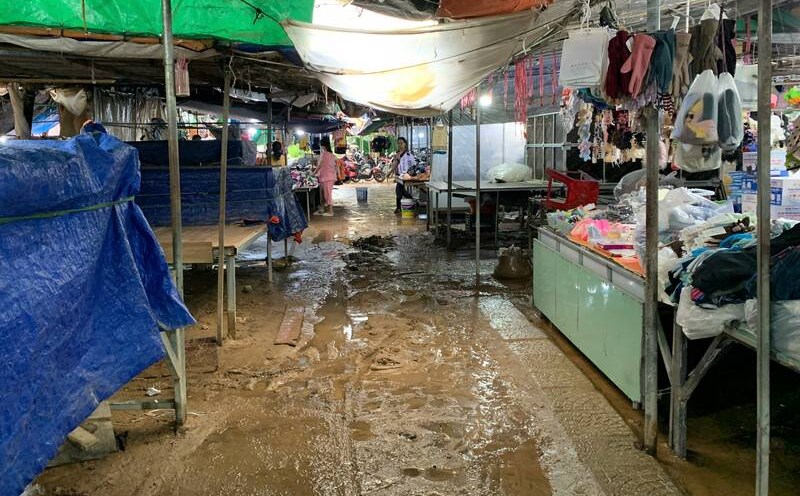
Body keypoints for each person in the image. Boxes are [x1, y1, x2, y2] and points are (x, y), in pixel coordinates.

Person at [314, 137, 336, 217]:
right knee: (324, 194)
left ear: (323, 146)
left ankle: (331, 211)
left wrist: (313, 173)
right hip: (329, 176)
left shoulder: (324, 155)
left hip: (327, 177)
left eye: (320, 146)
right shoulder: (332, 155)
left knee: (327, 194)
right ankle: (322, 209)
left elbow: (319, 166)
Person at [393, 137, 415, 214]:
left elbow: (412, 166)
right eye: (398, 143)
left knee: (399, 192)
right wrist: (390, 173)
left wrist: (409, 174)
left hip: (406, 176)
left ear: (405, 144)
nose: (400, 145)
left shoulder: (409, 155)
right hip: (400, 176)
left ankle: (399, 208)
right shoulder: (397, 154)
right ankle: (412, 203)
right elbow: (395, 165)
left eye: (401, 143)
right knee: (401, 191)